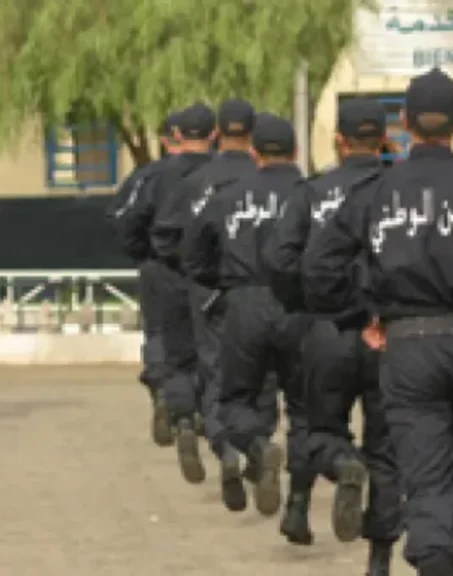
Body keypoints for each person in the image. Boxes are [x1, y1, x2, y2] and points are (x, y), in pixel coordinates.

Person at [302, 68, 453, 576]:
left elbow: (319, 267)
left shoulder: (374, 192)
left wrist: (359, 316)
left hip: (408, 343)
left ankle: (436, 554)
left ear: (405, 124)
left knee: (426, 466)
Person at [264, 98, 401, 572]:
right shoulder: (400, 192)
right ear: (383, 139)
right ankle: (379, 560)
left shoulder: (312, 193)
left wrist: (303, 305)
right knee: (387, 451)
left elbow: (281, 260)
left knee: (319, 430)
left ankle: (342, 465)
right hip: (388, 332)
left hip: (327, 329)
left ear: (340, 141)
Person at [182, 113, 316, 525]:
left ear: (255, 153)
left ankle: (255, 448)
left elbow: (194, 257)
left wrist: (223, 283)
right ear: (296, 151)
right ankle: (298, 506)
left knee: (235, 397)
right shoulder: (313, 195)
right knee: (304, 411)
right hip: (299, 306)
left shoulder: (228, 197)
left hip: (243, 303)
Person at [177, 99, 278, 510]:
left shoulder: (197, 184)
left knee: (217, 372)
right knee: (264, 376)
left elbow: (186, 246)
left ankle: (228, 448)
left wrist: (207, 282)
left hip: (215, 295)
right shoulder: (268, 183)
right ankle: (259, 443)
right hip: (264, 294)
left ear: (218, 133)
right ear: (253, 136)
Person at [138, 103, 216, 485]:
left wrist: (145, 253)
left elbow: (124, 216)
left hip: (166, 269)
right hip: (215, 277)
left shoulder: (154, 175)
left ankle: (175, 407)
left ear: (177, 136)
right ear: (214, 135)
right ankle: (214, 422)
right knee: (211, 348)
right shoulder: (226, 173)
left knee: (168, 343)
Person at [107, 111, 182, 447]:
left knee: (159, 332)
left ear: (164, 140)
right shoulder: (215, 173)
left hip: (158, 266)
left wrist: (142, 253)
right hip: (205, 272)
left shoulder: (147, 177)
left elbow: (122, 217)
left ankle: (164, 391)